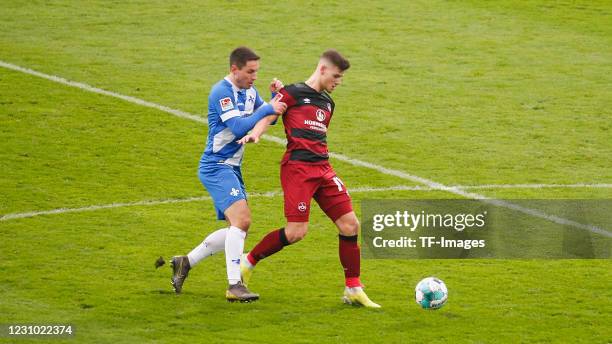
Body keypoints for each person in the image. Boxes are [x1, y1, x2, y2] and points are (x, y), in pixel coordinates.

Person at [237, 49, 381, 308]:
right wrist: (256, 133)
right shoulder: (292, 93)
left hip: (323, 169)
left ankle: (353, 288)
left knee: (350, 225)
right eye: (336, 76)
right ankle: (248, 262)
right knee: (296, 232)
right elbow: (269, 115)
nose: (338, 82)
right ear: (323, 69)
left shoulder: (328, 104)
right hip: (298, 170)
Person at [170, 46, 286, 302]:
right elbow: (238, 127)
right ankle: (235, 284)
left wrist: (273, 98)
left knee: (237, 227)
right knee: (242, 222)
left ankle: (185, 261)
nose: (255, 76)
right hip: (216, 166)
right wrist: (268, 107)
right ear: (235, 69)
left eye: (257, 71)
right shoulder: (221, 92)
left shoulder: (250, 92)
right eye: (250, 71)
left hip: (232, 166)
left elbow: (270, 118)